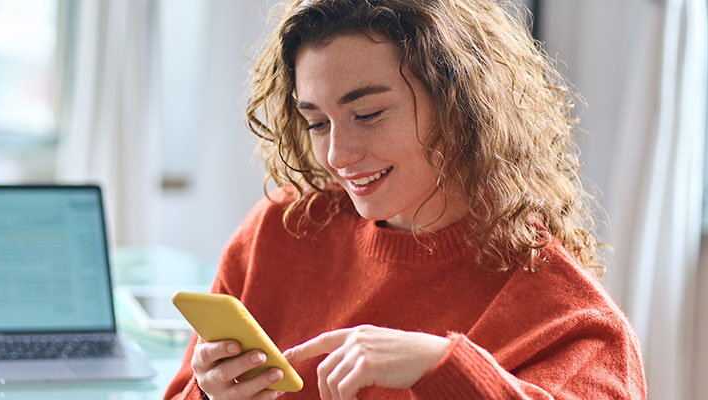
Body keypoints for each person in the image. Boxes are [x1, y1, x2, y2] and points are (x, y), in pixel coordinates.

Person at [164, 0, 646, 398]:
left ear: (459, 106)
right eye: (316, 122)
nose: (336, 154)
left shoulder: (571, 319)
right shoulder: (280, 230)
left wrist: (443, 365)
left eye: (368, 113)